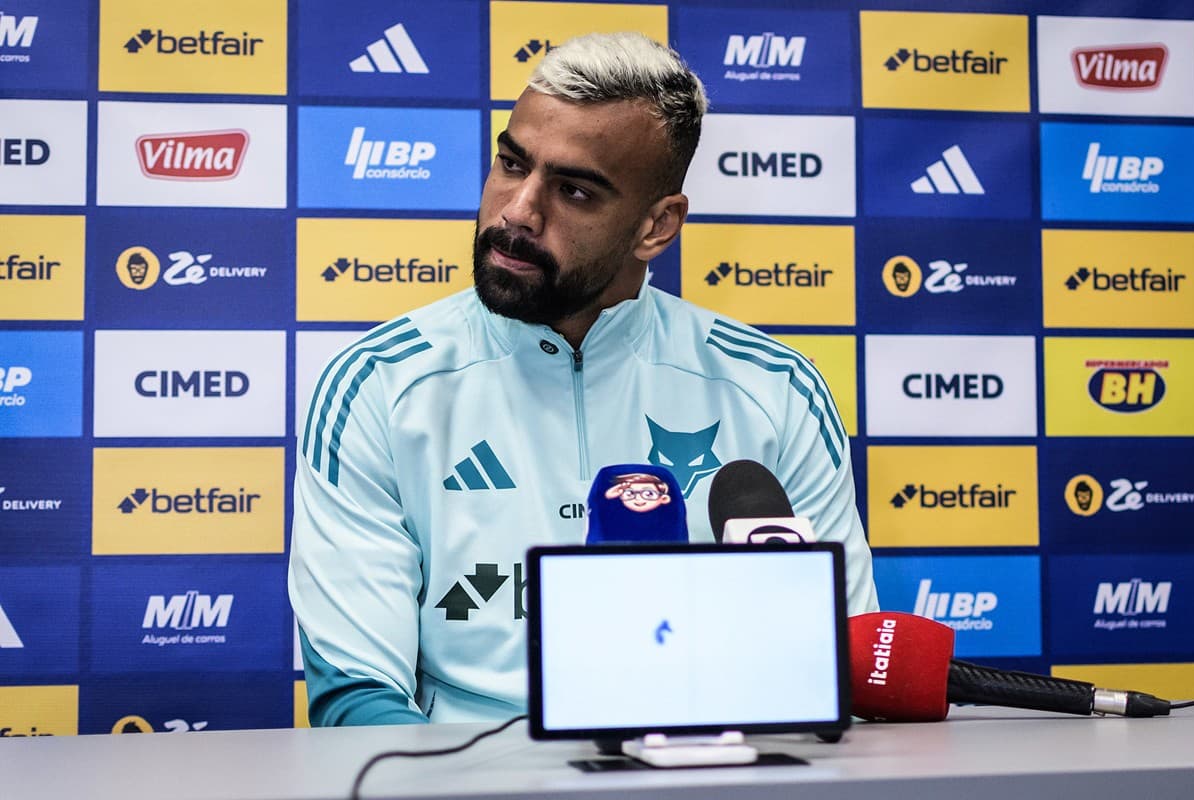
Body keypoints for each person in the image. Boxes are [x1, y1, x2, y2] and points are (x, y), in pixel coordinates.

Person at [289, 31, 878, 727]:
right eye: (512, 164)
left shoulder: (775, 391)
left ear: (657, 225)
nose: (517, 211)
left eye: (573, 190)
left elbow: (836, 671)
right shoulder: (378, 387)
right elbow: (359, 699)